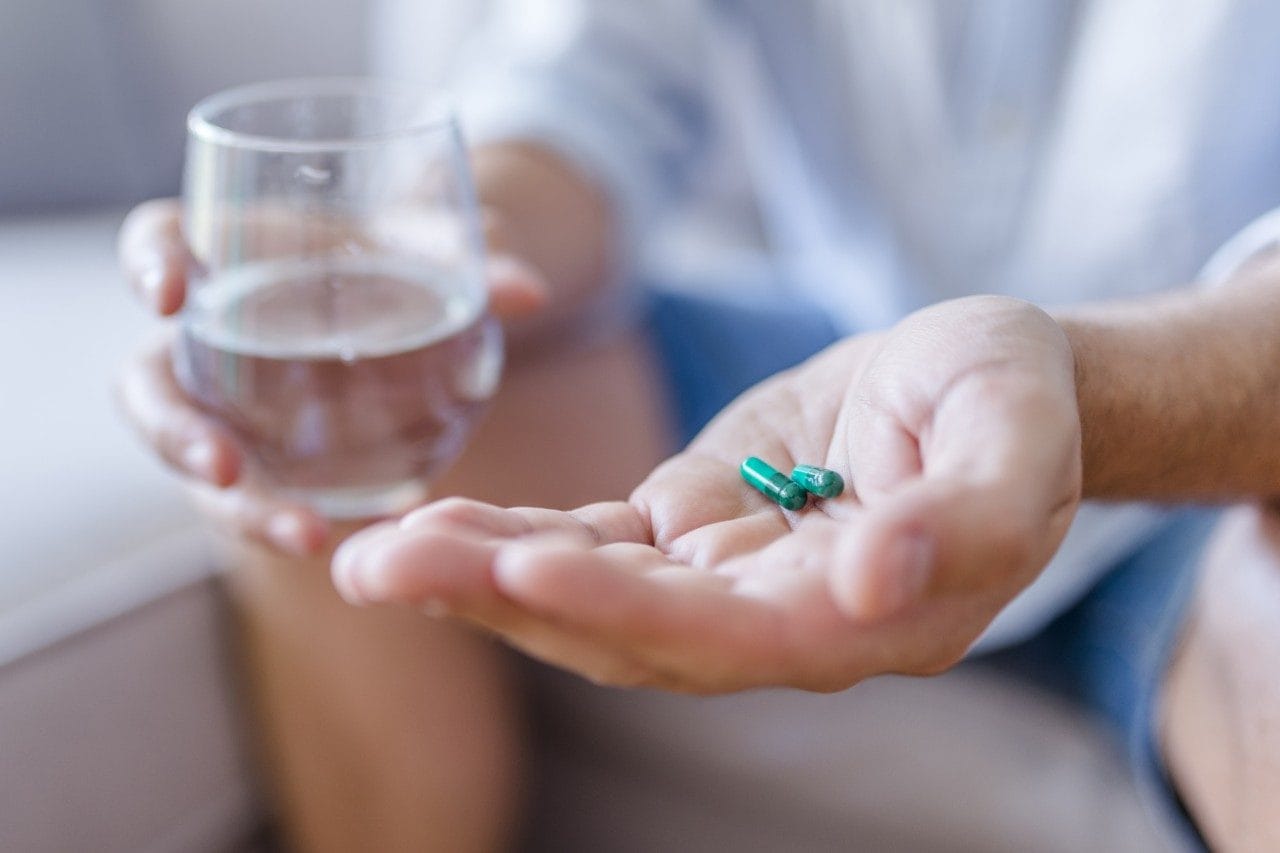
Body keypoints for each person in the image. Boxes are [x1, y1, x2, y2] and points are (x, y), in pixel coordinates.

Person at [118, 2, 1280, 850]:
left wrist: (1086, 388)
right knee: (332, 420)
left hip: (1212, 395)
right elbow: (588, 81)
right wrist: (415, 258)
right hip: (847, 352)